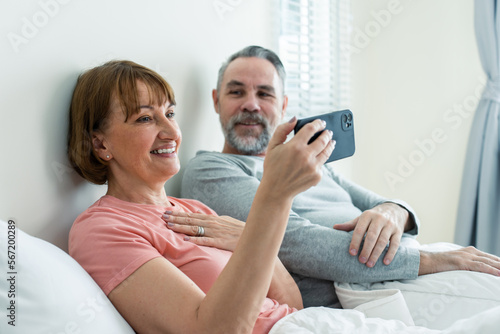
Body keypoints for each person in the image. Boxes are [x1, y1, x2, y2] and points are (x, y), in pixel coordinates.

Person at [179, 45, 500, 308]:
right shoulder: (211, 170)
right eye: (237, 92)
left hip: (404, 261)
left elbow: (383, 202)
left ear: (283, 105)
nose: (251, 104)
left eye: (265, 94)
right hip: (368, 286)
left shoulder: (306, 163)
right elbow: (293, 242)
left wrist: (391, 213)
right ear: (216, 101)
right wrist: (432, 261)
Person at [67, 60, 336, 333]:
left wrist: (246, 236)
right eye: (145, 118)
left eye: (170, 114)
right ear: (101, 144)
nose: (172, 133)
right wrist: (275, 196)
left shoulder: (195, 210)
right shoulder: (102, 229)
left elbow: (293, 307)